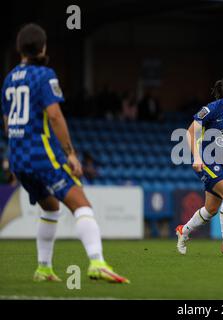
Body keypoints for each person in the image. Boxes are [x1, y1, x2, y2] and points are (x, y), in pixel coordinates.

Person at [1, 23, 128, 283]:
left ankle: (44, 269)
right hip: (41, 153)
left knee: (50, 207)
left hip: (18, 156)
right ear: (43, 47)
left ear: (19, 48)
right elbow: (55, 116)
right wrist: (70, 153)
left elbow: (7, 122)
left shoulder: (8, 78)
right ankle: (97, 262)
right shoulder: (44, 74)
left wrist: (13, 158)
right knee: (81, 204)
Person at [175, 74, 223, 256]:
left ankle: (183, 231)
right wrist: (197, 158)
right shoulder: (212, 109)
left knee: (211, 210)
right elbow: (190, 133)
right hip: (207, 160)